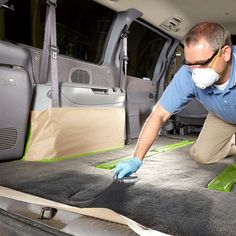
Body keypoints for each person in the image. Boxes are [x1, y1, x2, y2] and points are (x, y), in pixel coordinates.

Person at [114, 21, 236, 179]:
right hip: (221, 116)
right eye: (190, 64)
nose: (195, 72)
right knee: (202, 156)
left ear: (225, 53)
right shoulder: (186, 76)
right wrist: (136, 159)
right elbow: (159, 115)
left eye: (201, 63)